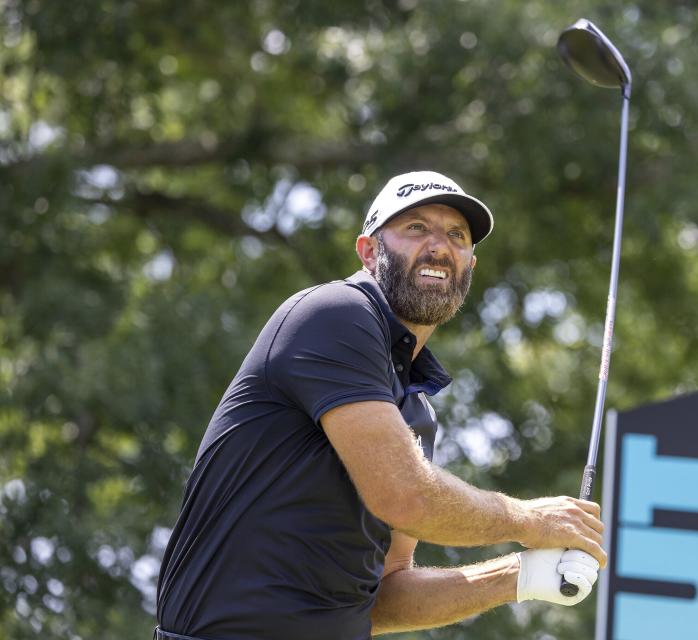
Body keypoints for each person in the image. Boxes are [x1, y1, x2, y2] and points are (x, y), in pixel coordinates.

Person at [155, 170, 605, 640]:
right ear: (369, 252)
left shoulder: (415, 408)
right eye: (416, 228)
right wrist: (530, 520)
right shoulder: (334, 314)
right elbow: (406, 497)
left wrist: (521, 577)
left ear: (470, 265)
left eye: (457, 235)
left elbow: (383, 598)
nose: (439, 246)